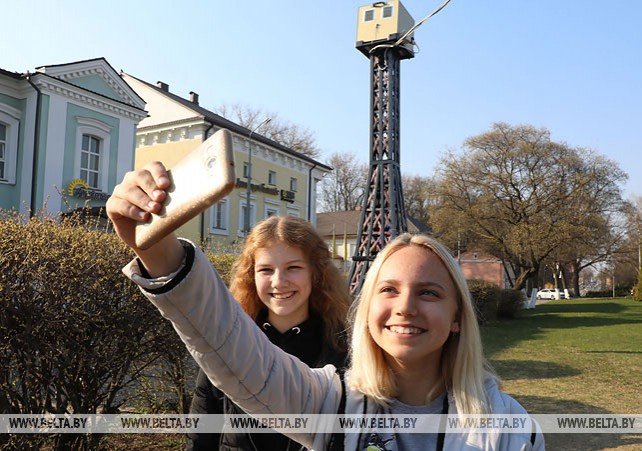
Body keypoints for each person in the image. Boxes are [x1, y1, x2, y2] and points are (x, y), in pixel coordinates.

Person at [106, 162, 545, 451]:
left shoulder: (507, 428)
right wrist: (158, 251)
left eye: (429, 292)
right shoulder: (330, 400)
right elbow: (227, 344)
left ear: (456, 319)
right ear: (368, 311)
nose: (405, 306)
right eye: (388, 290)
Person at [186, 215, 350, 450]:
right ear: (251, 276)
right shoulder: (229, 341)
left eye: (293, 268)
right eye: (265, 270)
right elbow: (202, 429)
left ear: (316, 273)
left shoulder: (342, 348)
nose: (279, 281)